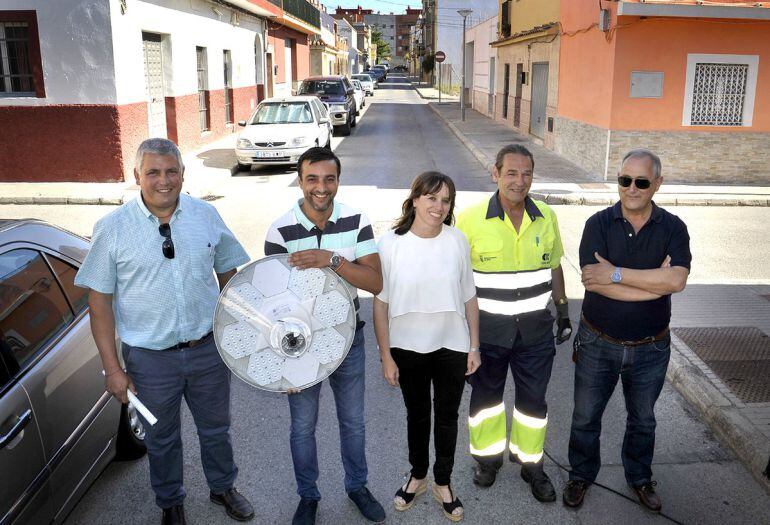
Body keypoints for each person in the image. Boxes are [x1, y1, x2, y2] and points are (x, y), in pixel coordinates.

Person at [74, 138, 254, 525]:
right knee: (161, 438)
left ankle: (223, 487)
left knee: (216, 429)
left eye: (172, 171)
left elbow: (229, 276)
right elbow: (99, 304)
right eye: (153, 172)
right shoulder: (112, 229)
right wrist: (113, 369)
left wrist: (240, 332)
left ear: (183, 175)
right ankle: (171, 503)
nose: (163, 180)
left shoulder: (206, 216)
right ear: (137, 175)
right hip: (150, 360)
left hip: (208, 350)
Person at [263, 147, 386, 525]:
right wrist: (282, 361)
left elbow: (376, 281)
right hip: (299, 346)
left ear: (338, 180)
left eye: (328, 179)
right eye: (312, 179)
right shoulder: (280, 230)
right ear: (300, 181)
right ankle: (308, 496)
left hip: (347, 339)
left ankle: (357, 486)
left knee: (353, 422)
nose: (321, 187)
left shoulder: (356, 220)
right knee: (302, 426)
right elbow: (271, 302)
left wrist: (332, 259)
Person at [564, 149, 691, 512]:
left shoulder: (673, 228)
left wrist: (616, 273)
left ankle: (639, 478)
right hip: (597, 342)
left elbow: (677, 280)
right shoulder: (598, 224)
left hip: (651, 348)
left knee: (644, 420)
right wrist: (653, 283)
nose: (631, 188)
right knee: (585, 416)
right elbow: (593, 281)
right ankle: (581, 475)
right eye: (624, 180)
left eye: (641, 182)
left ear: (658, 184)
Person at [456, 144, 572, 503]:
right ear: (495, 173)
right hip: (488, 332)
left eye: (526, 174)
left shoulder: (547, 216)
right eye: (511, 173)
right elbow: (456, 278)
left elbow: (554, 266)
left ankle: (530, 464)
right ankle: (487, 461)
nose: (519, 181)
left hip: (535, 331)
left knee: (533, 404)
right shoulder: (470, 219)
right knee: (486, 400)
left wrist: (563, 310)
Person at [373, 172, 481, 522]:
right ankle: (418, 476)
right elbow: (381, 304)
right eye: (432, 198)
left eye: (446, 200)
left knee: (447, 417)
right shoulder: (390, 243)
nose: (439, 206)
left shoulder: (458, 241)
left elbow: (469, 297)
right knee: (417, 415)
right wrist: (386, 354)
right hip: (406, 345)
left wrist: (474, 346)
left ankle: (443, 483)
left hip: (451, 344)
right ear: (415, 199)